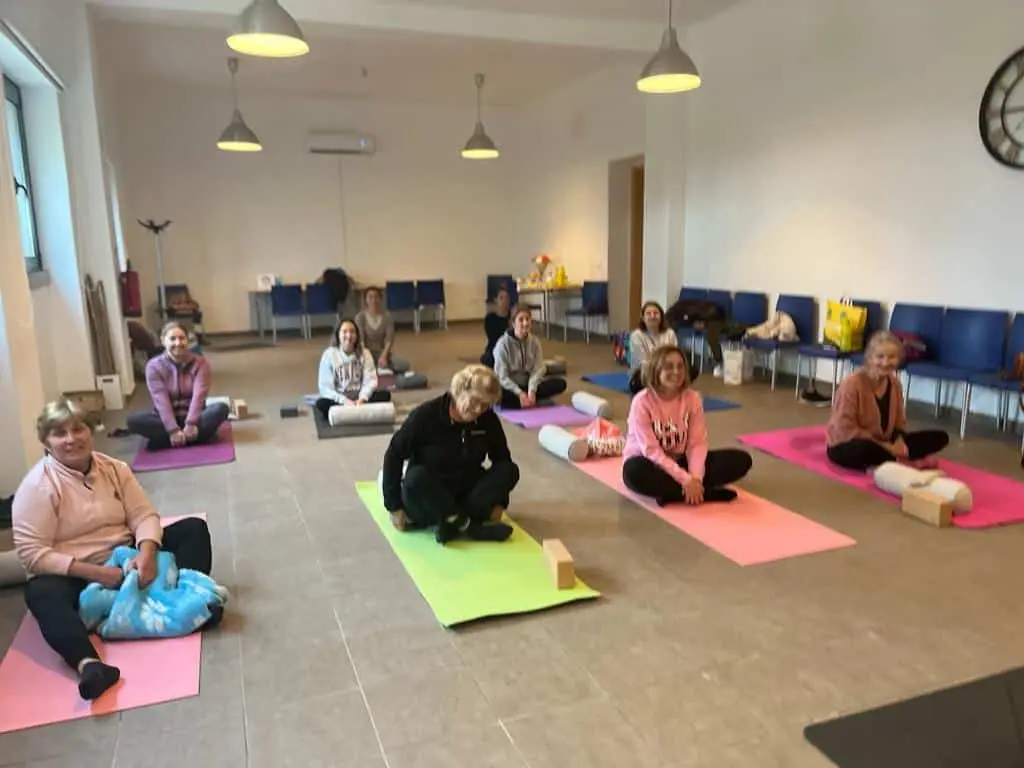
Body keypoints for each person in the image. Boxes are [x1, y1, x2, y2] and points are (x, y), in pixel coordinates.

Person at [13, 399, 217, 701]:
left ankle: (185, 601)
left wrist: (146, 553)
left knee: (192, 530)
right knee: (40, 593)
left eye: (78, 428)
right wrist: (98, 573)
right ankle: (90, 664)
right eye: (59, 433)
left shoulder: (114, 468)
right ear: (46, 441)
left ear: (90, 430)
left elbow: (144, 515)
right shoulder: (37, 487)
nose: (71, 439)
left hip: (128, 559)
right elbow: (32, 554)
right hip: (79, 571)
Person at [381, 365, 519, 544]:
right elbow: (394, 454)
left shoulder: (488, 420)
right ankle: (470, 527)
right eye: (475, 401)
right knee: (416, 478)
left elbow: (502, 459)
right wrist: (394, 506)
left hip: (465, 491)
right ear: (460, 391)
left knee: (510, 470)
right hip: (432, 492)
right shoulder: (425, 416)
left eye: (484, 405)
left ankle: (452, 523)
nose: (478, 409)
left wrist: (500, 502)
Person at [622, 346, 752, 506]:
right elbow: (651, 451)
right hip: (650, 462)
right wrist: (685, 479)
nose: (676, 372)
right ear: (656, 370)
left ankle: (676, 493)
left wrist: (695, 478)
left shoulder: (693, 399)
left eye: (680, 366)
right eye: (669, 367)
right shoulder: (642, 402)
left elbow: (697, 443)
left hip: (680, 461)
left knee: (741, 460)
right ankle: (705, 493)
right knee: (634, 472)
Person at [826, 331, 950, 471]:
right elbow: (844, 428)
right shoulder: (852, 384)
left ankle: (891, 459)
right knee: (862, 449)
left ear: (899, 359)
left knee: (940, 437)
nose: (885, 362)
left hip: (885, 440)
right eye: (880, 356)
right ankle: (901, 461)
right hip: (849, 442)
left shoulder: (895, 384)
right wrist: (886, 446)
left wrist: (898, 441)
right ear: (870, 358)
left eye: (892, 357)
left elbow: (899, 423)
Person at [126, 322, 230, 450]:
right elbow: (161, 400)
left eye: (182, 338)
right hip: (165, 420)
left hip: (195, 418)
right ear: (163, 341)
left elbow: (199, 396)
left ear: (188, 340)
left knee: (221, 408)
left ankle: (171, 440)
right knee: (133, 421)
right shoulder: (153, 366)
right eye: (172, 339)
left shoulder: (201, 363)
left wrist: (191, 423)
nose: (178, 343)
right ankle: (192, 438)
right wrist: (172, 429)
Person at [316, 318, 391, 419]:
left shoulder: (365, 353)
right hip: (340, 399)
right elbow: (325, 387)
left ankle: (347, 412)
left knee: (385, 395)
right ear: (338, 335)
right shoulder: (329, 355)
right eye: (345, 332)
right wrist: (344, 401)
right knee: (321, 403)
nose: (349, 335)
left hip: (359, 397)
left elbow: (370, 380)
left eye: (352, 332)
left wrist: (363, 398)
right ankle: (355, 411)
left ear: (357, 335)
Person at [493, 308, 567, 409]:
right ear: (513, 323)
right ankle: (524, 400)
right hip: (510, 387)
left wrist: (532, 390)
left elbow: (538, 369)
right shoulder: (502, 344)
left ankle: (527, 400)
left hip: (528, 384)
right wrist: (520, 393)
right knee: (496, 395)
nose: (525, 323)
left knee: (560, 383)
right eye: (521, 320)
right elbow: (502, 377)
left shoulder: (535, 342)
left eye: (528, 319)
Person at [354, 286, 410, 374]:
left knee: (403, 365)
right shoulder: (360, 317)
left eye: (376, 297)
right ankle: (377, 369)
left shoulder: (387, 316)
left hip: (382, 352)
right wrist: (367, 358)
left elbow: (389, 340)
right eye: (370, 297)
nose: (374, 300)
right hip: (365, 353)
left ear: (380, 299)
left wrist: (384, 356)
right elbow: (360, 341)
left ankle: (379, 369)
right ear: (365, 300)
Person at [629, 301, 679, 394]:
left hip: (666, 369)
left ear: (661, 317)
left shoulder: (669, 333)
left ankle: (668, 385)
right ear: (643, 318)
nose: (652, 316)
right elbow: (642, 362)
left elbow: (675, 355)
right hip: (644, 373)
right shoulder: (636, 336)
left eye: (656, 313)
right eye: (648, 314)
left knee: (690, 368)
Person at [481, 286, 512, 368]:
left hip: (511, 348)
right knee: (489, 359)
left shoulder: (513, 317)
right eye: (501, 298)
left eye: (507, 297)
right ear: (496, 300)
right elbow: (493, 338)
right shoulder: (490, 318)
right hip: (495, 348)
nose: (505, 300)